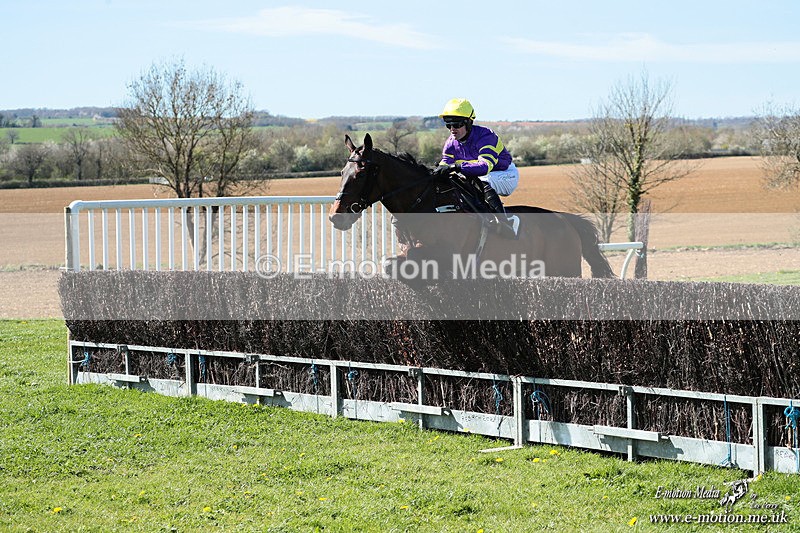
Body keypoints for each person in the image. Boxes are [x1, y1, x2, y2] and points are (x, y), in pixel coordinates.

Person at [432, 98, 520, 238]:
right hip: (481, 175)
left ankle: (506, 224)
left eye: (456, 124)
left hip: (504, 174)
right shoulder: (450, 143)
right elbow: (445, 164)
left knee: (483, 181)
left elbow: (484, 167)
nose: (452, 129)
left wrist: (457, 166)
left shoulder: (486, 136)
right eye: (448, 124)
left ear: (468, 122)